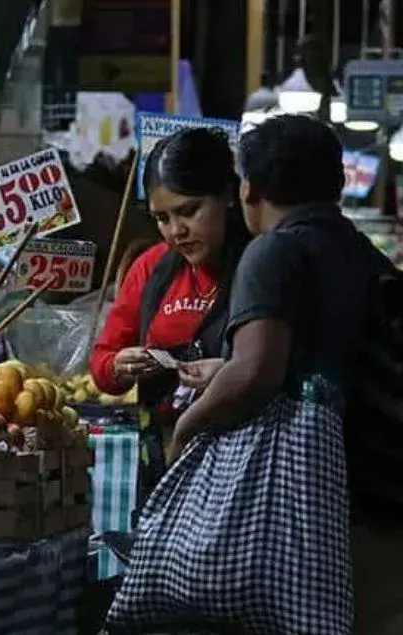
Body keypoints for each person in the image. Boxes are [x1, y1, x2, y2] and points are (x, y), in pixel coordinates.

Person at [107, 114, 382, 634]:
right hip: (365, 492)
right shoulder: (356, 248)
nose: (174, 230)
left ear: (246, 188)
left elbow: (256, 373)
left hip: (302, 497)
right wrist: (226, 368)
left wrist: (189, 430)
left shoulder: (271, 250)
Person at [88, 127, 251, 494]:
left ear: (227, 194)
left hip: (240, 467)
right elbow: (102, 365)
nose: (176, 231)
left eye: (188, 211)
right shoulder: (150, 268)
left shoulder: (260, 264)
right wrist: (119, 365)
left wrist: (231, 375)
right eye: (161, 219)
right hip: (164, 458)